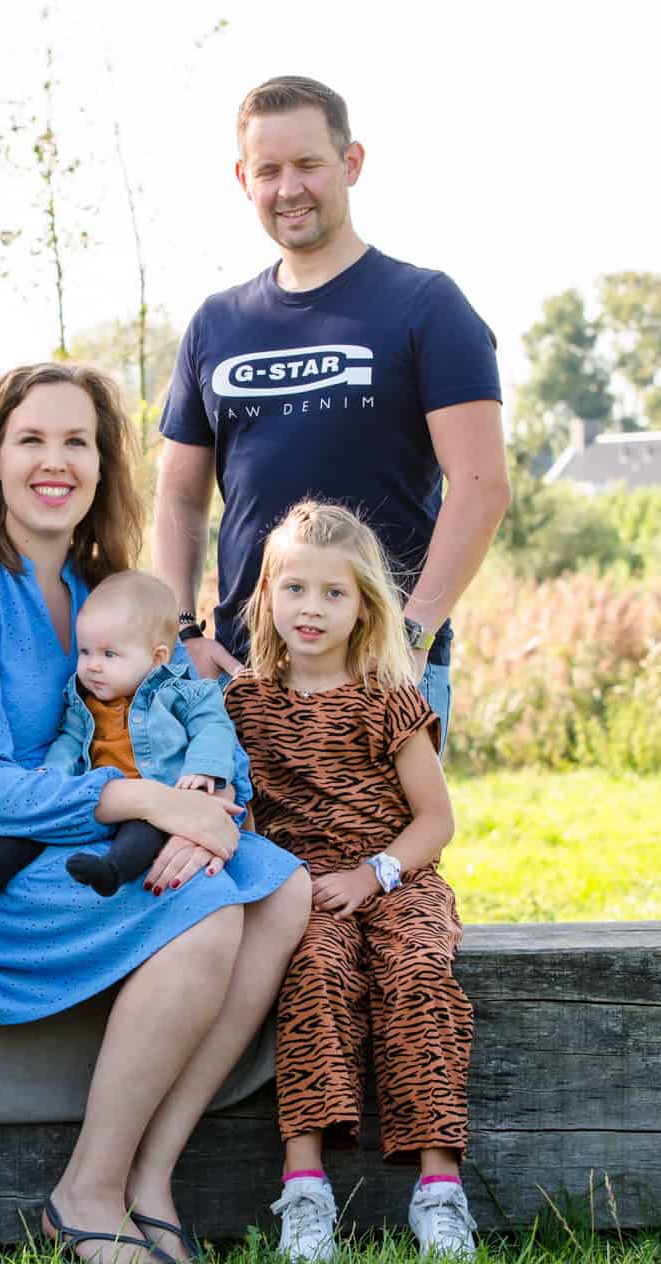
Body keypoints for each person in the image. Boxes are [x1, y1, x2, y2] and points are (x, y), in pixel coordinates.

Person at [0, 362, 311, 1264]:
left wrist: (209, 806)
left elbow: (194, 712)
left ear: (102, 463)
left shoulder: (104, 591)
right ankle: (85, 1191)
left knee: (282, 890)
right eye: (31, 438)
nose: (56, 461)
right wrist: (151, 802)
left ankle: (150, 1175)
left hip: (89, 843)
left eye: (77, 441)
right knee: (203, 919)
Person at [155, 75, 510, 748]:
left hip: (381, 672)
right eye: (269, 170)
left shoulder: (427, 306)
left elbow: (481, 485)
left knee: (376, 856)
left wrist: (409, 636)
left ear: (350, 164)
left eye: (309, 165)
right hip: (244, 670)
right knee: (232, 855)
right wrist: (182, 634)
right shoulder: (216, 323)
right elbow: (177, 496)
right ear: (243, 179)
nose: (289, 187)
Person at [224, 501, 474, 1260]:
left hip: (396, 874)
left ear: (366, 605)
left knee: (418, 971)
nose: (312, 608)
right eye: (295, 589)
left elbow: (436, 820)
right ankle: (305, 1189)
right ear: (266, 595)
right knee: (313, 971)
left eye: (335, 593)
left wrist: (374, 874)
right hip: (304, 888)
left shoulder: (390, 698)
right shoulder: (243, 706)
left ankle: (439, 1192)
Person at [0, 571, 243, 897]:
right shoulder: (84, 702)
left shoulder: (184, 692)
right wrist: (52, 775)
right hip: (95, 800)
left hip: (159, 801)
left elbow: (214, 728)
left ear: (157, 658)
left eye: (109, 654)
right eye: (85, 652)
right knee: (40, 825)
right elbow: (69, 742)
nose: (93, 666)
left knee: (143, 834)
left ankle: (111, 871)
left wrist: (203, 768)